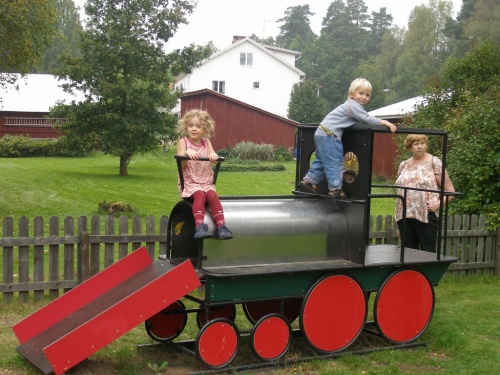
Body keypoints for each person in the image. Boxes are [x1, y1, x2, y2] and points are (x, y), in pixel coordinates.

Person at [299, 78, 397, 198]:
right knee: (334, 161)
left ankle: (310, 181)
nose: (364, 97)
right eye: (360, 93)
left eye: (367, 95)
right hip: (330, 135)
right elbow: (366, 119)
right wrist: (385, 122)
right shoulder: (354, 105)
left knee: (322, 160)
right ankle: (335, 189)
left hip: (320, 132)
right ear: (351, 94)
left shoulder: (348, 105)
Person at [177, 109, 233, 240]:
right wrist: (186, 154)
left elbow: (212, 155)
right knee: (200, 195)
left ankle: (221, 227)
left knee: (212, 195)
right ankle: (199, 227)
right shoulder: (183, 142)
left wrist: (213, 155)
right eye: (191, 126)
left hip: (205, 181)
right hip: (190, 182)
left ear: (205, 129)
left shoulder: (206, 142)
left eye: (198, 126)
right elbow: (181, 165)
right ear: (186, 127)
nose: (194, 129)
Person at [395, 134, 455, 252]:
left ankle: (426, 271)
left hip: (425, 215)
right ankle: (411, 271)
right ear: (409, 146)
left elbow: (450, 191)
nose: (420, 147)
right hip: (404, 216)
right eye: (416, 144)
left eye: (422, 143)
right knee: (407, 252)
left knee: (426, 253)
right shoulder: (404, 164)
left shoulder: (434, 162)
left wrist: (438, 204)